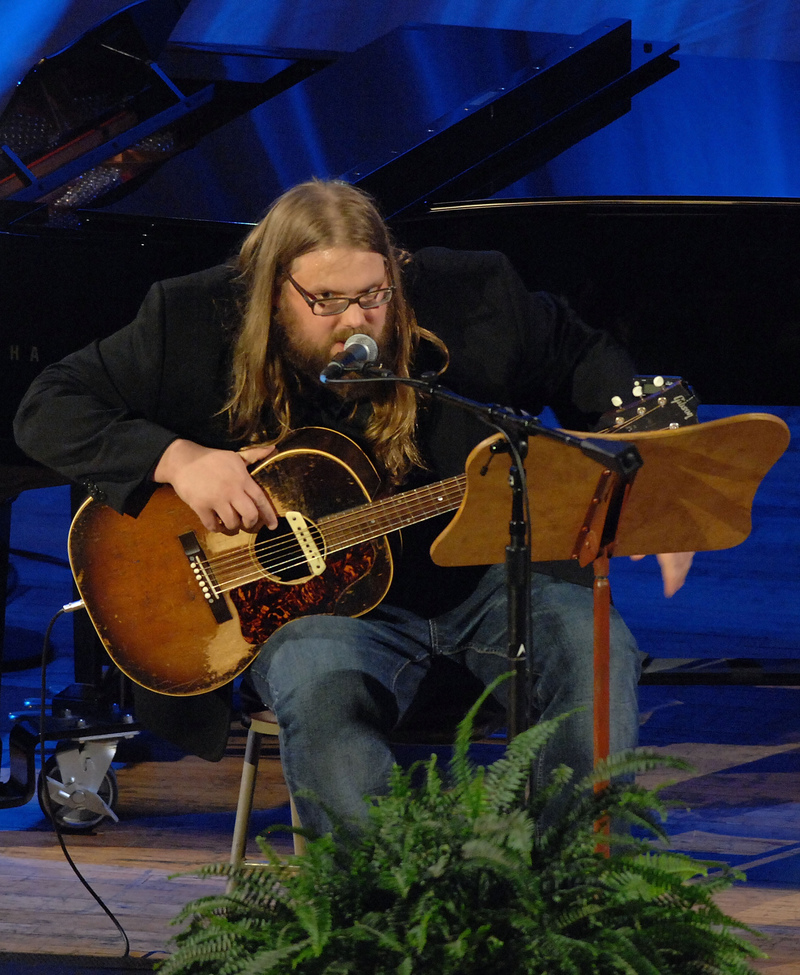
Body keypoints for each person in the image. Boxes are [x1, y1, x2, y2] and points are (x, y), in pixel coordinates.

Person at [13, 179, 692, 837]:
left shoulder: (476, 294)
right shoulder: (189, 321)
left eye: (372, 295)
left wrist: (657, 489)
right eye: (327, 301)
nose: (355, 321)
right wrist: (180, 460)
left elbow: (590, 363)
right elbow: (48, 406)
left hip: (485, 580)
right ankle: (384, 912)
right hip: (322, 614)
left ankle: (565, 891)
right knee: (321, 682)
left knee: (594, 641)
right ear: (274, 289)